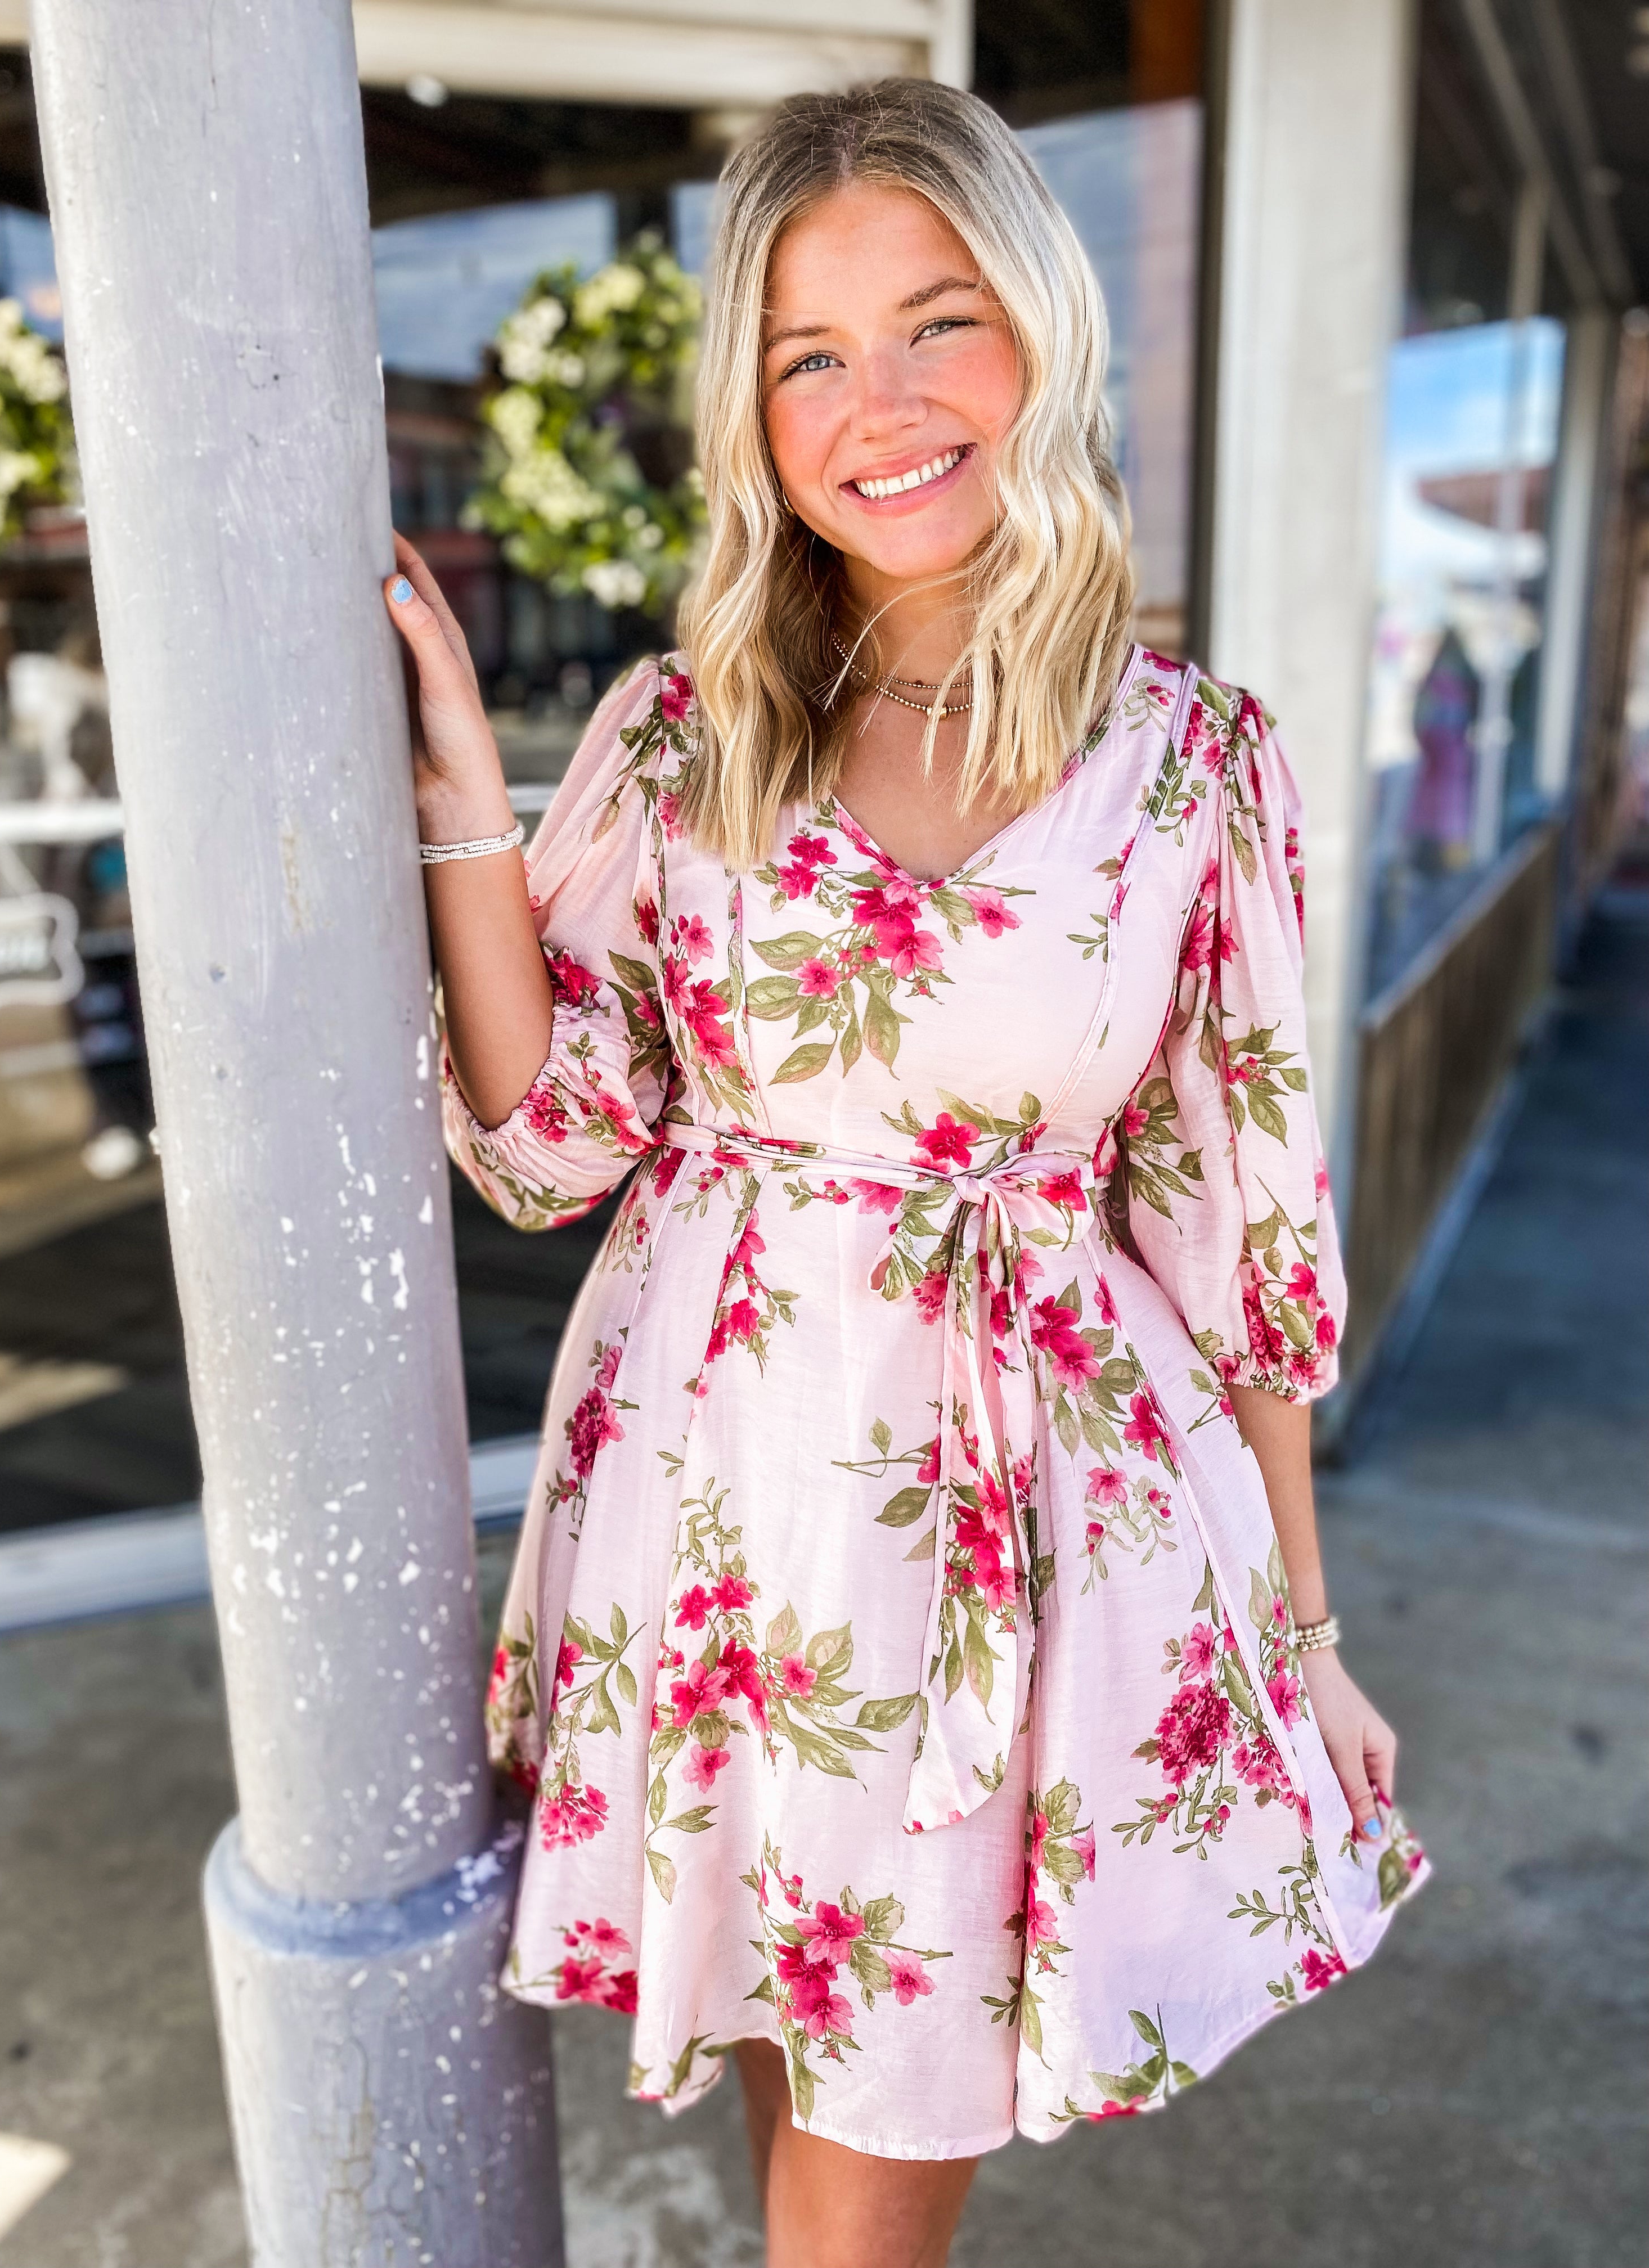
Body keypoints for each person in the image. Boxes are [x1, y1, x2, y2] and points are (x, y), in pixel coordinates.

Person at [384, 78, 1425, 2268]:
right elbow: (555, 1135)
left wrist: (1307, 1634)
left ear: (1040, 338)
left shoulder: (1189, 769)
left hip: (1011, 1557)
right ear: (752, 411)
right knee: (801, 2080)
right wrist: (471, 790)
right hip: (723, 1503)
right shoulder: (690, 736)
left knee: (869, 2177)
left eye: (937, 322)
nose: (883, 404)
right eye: (808, 353)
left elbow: (1244, 1245)